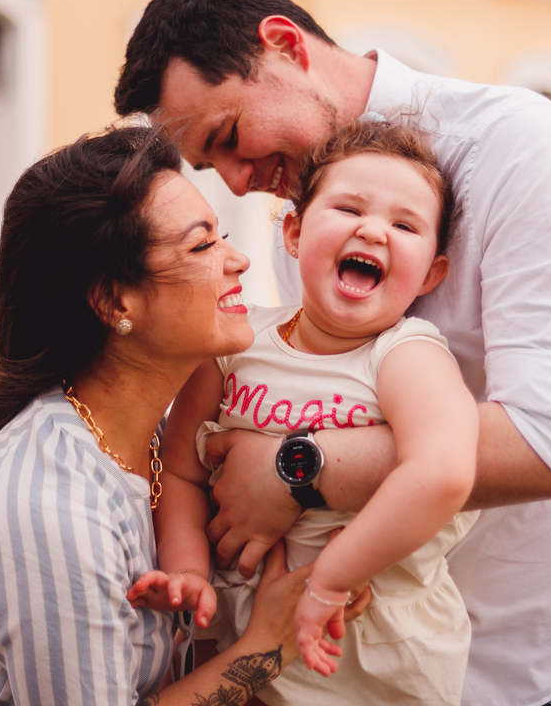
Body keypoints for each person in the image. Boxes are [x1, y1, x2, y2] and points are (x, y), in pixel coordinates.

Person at [114, 0, 551, 706]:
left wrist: (296, 468)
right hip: (399, 667)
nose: (236, 182)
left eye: (231, 136)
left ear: (283, 46)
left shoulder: (519, 147)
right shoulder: (299, 216)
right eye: (213, 167)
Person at [0, 126, 338, 706]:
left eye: (221, 236)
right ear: (114, 300)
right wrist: (266, 645)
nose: (240, 260)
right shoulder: (52, 505)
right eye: (202, 247)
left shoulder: (156, 434)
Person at [127, 119, 479, 704]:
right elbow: (181, 470)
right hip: (246, 665)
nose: (373, 231)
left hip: (374, 669)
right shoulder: (238, 344)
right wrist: (188, 571)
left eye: (404, 224)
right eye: (348, 208)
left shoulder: (405, 355)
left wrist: (328, 581)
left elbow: (443, 472)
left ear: (433, 272)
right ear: (292, 231)